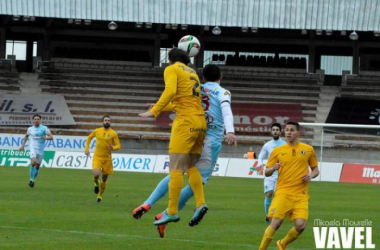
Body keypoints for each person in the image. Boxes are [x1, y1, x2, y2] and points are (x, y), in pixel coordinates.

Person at [133, 64, 237, 237]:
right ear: (221, 76)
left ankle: (148, 203)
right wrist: (231, 131)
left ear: (203, 78)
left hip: (191, 131)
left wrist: (158, 106)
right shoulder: (223, 92)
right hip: (210, 138)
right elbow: (226, 111)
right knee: (199, 180)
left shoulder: (197, 88)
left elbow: (179, 103)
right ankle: (170, 211)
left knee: (177, 170)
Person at [138, 48, 207, 227]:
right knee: (190, 167)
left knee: (175, 169)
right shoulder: (192, 72)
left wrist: (154, 111)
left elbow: (170, 91)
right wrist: (161, 106)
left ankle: (172, 212)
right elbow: (184, 101)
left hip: (184, 123)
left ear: (169, 59)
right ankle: (200, 203)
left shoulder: (172, 69)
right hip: (200, 122)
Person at [258, 121, 319, 250]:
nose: (288, 132)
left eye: (291, 130)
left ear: (298, 133)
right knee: (276, 223)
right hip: (283, 192)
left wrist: (311, 175)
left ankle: (282, 244)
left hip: (301, 195)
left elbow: (315, 169)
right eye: (287, 130)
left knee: (301, 226)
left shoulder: (308, 149)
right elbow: (267, 172)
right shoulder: (277, 151)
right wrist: (273, 168)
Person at [85, 115, 121, 203]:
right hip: (97, 157)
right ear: (103, 122)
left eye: (108, 120)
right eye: (105, 120)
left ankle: (99, 196)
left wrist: (113, 148)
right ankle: (96, 184)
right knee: (96, 174)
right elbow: (89, 137)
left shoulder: (113, 133)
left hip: (107, 159)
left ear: (110, 122)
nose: (107, 122)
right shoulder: (97, 131)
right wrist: (86, 149)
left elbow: (118, 145)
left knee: (104, 178)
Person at [257, 123, 286, 223]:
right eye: (273, 130)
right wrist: (260, 164)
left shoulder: (285, 145)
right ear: (271, 131)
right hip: (270, 173)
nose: (275, 131)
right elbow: (260, 157)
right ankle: (268, 216)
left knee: (278, 196)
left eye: (277, 130)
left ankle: (276, 215)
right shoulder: (267, 145)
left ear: (280, 131)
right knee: (268, 194)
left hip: (281, 174)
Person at [19, 114, 53, 188]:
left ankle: (33, 180)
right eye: (35, 119)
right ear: (33, 120)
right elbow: (26, 136)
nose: (36, 120)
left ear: (40, 120)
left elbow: (51, 137)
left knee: (37, 166)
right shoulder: (30, 129)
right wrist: (22, 145)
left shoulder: (44, 128)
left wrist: (45, 138)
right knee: (33, 162)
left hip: (40, 149)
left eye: (38, 119)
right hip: (32, 147)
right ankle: (31, 179)